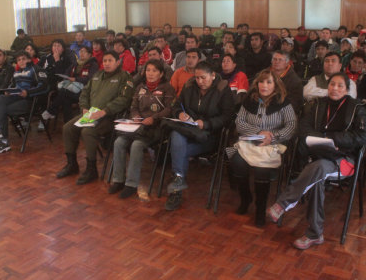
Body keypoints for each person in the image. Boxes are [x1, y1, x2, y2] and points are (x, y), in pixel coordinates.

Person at [267, 72, 366, 249]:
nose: (334, 88)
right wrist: (323, 138)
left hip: (344, 160)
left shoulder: (356, 108)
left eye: (339, 86)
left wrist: (333, 139)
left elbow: (361, 137)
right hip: (317, 157)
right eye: (332, 84)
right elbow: (303, 128)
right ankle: (314, 234)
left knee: (318, 169)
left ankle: (284, 203)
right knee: (317, 174)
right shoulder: (318, 104)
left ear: (347, 89)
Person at [227, 69, 297, 227]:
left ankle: (260, 208)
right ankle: (246, 198)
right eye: (261, 82)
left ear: (276, 85)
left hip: (273, 144)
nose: (264, 85)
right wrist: (258, 132)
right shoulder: (249, 100)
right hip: (250, 142)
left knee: (261, 170)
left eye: (269, 82)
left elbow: (291, 125)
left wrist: (272, 136)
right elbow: (240, 123)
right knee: (236, 162)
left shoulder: (283, 101)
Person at [165, 61, 234, 211]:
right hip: (188, 130)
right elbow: (176, 105)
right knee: (176, 135)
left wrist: (207, 124)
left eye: (203, 78)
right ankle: (177, 187)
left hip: (209, 136)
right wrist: (180, 113)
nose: (200, 81)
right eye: (197, 78)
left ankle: (176, 190)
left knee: (178, 148)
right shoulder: (189, 86)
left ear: (213, 75)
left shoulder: (223, 89)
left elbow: (228, 117)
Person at [57, 51, 133, 185]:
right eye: (105, 61)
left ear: (117, 62)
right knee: (67, 128)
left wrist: (105, 111)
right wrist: (84, 107)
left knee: (88, 131)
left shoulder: (124, 77)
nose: (107, 63)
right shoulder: (97, 75)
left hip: (109, 116)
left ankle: (91, 169)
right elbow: (85, 92)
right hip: (90, 113)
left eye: (110, 61)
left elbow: (124, 100)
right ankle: (72, 164)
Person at [109, 60, 176, 199]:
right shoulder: (140, 87)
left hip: (156, 127)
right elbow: (133, 106)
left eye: (154, 71)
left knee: (136, 145)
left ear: (161, 73)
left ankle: (131, 185)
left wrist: (154, 118)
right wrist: (135, 115)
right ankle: (118, 180)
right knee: (119, 142)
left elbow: (170, 110)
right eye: (148, 70)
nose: (150, 74)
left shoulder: (167, 88)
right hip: (138, 125)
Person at [0, 51, 48, 154]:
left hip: (31, 100)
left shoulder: (36, 69)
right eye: (18, 60)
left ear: (29, 59)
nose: (21, 61)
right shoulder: (16, 73)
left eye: (23, 59)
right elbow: (12, 86)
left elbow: (44, 87)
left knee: (2, 110)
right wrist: (8, 91)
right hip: (16, 98)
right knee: (0, 98)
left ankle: (3, 143)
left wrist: (28, 92)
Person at [41, 45, 98, 122]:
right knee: (65, 98)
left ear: (90, 54)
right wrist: (66, 78)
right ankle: (67, 123)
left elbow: (90, 79)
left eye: (84, 52)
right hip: (72, 89)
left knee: (64, 93)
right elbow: (66, 73)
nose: (81, 53)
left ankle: (51, 111)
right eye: (80, 51)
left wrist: (75, 79)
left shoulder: (93, 65)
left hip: (85, 91)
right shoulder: (75, 64)